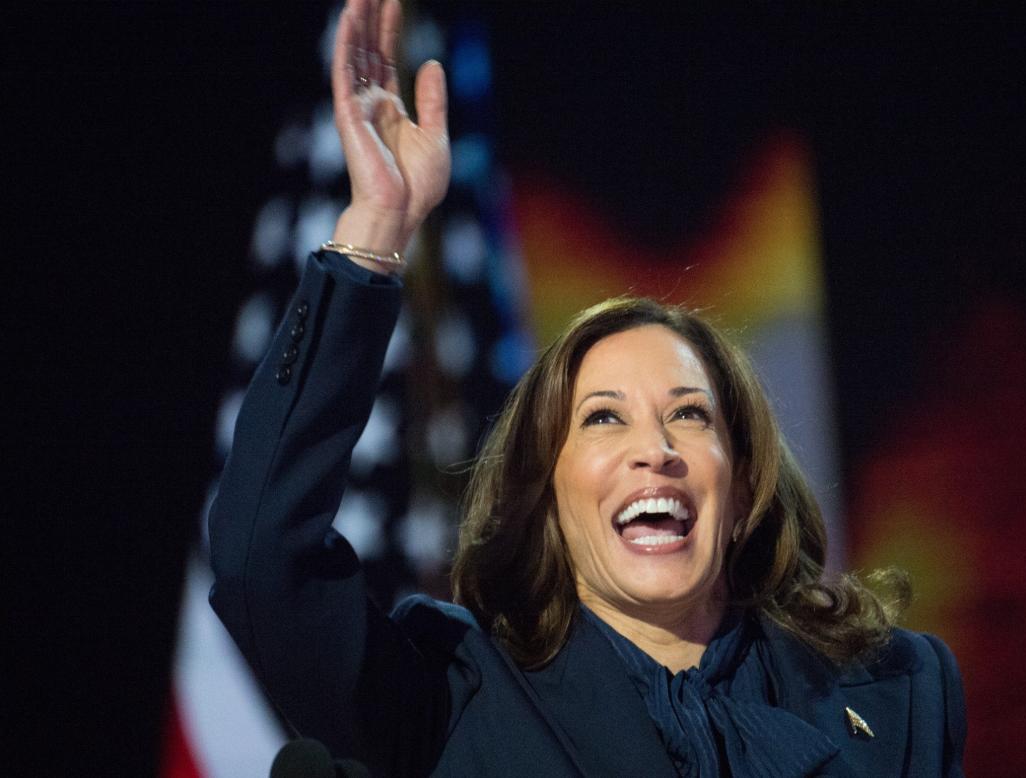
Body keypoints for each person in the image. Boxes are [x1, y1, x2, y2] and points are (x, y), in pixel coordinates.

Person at [208, 1, 966, 775]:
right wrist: (377, 228)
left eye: (689, 415)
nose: (656, 450)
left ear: (740, 489)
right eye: (603, 419)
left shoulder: (896, 691)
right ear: (547, 503)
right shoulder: (451, 694)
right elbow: (262, 556)